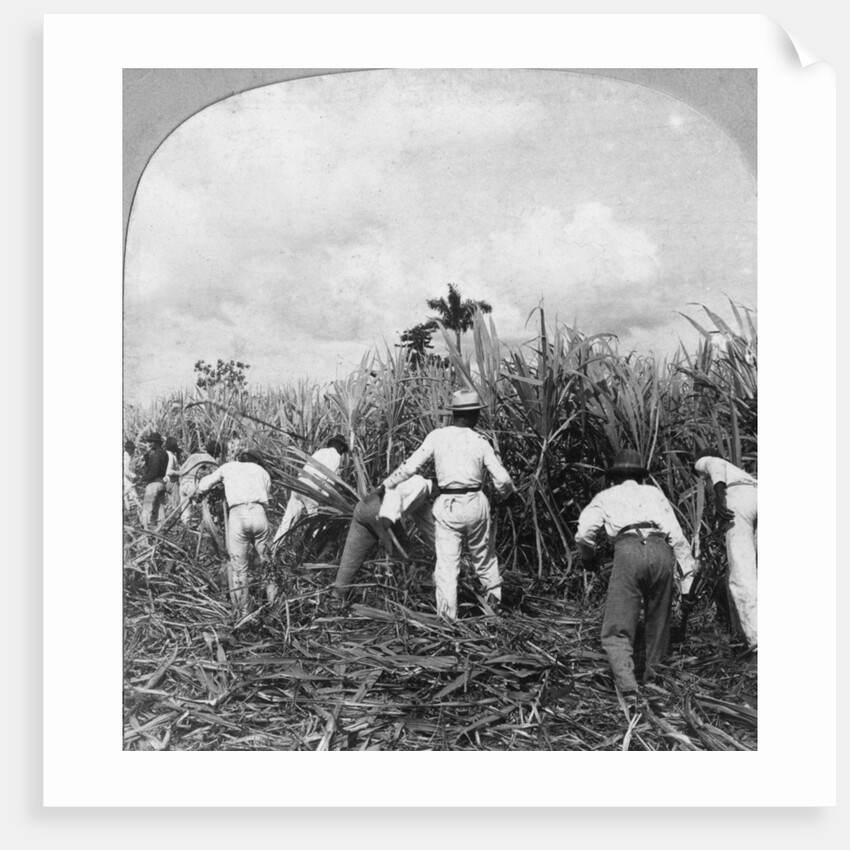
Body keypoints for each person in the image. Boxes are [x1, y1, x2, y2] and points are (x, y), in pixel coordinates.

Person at [381, 390, 516, 620]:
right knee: (484, 558)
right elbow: (502, 479)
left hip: (448, 506)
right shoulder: (480, 441)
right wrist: (508, 495)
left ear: (453, 413)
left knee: (446, 566)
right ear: (474, 415)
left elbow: (410, 466)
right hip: (475, 504)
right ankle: (494, 607)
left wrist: (388, 483)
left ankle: (448, 620)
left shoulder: (437, 436)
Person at [575, 449, 697, 699]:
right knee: (658, 622)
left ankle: (628, 687)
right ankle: (654, 682)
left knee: (617, 626)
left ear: (614, 477)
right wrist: (687, 588)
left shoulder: (605, 496)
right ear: (641, 477)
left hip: (628, 549)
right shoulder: (653, 493)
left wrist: (589, 558)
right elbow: (679, 539)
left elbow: (584, 533)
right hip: (660, 548)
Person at [333, 474, 436, 602]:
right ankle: (405, 601)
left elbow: (427, 528)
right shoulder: (420, 484)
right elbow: (392, 492)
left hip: (363, 507)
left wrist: (441, 549)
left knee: (350, 561)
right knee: (405, 558)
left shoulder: (422, 498)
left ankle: (337, 599)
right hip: (380, 508)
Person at [694, 448, 758, 650]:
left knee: (742, 576)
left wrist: (720, 498)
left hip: (739, 502)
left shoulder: (707, 463)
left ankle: (757, 642)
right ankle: (741, 632)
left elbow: (714, 463)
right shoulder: (741, 473)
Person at [196, 449, 273, 616]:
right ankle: (275, 608)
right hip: (260, 514)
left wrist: (200, 493)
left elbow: (203, 484)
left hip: (238, 515)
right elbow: (267, 496)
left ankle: (244, 613)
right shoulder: (262, 471)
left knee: (239, 568)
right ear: (256, 461)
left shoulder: (229, 467)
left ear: (240, 459)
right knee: (268, 563)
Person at [273, 435, 349, 545]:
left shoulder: (319, 452)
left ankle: (273, 549)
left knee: (287, 521)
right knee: (315, 524)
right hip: (312, 489)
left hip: (299, 484)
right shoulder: (336, 457)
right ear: (341, 448)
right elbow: (331, 480)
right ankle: (315, 552)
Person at [176, 439, 221, 525]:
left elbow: (182, 470)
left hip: (183, 482)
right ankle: (211, 522)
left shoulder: (194, 455)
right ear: (216, 453)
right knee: (211, 499)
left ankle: (186, 524)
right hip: (194, 483)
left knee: (185, 507)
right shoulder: (211, 460)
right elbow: (215, 477)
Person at [139, 433, 169, 530]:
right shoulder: (164, 453)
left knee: (147, 506)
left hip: (154, 483)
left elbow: (153, 471)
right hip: (162, 482)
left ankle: (146, 529)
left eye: (151, 442)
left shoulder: (155, 454)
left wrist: (142, 479)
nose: (150, 444)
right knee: (160, 506)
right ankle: (161, 527)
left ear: (155, 443)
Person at [163, 437, 182, 512]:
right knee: (175, 505)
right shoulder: (171, 456)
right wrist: (180, 472)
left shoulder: (165, 454)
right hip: (172, 482)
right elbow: (169, 471)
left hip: (166, 481)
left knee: (169, 504)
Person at [123, 439, 140, 512]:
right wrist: (135, 476)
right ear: (128, 449)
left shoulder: (124, 455)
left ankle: (128, 511)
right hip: (126, 479)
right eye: (132, 449)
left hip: (125, 479)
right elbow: (126, 471)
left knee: (126, 496)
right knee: (134, 495)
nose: (133, 451)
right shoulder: (127, 456)